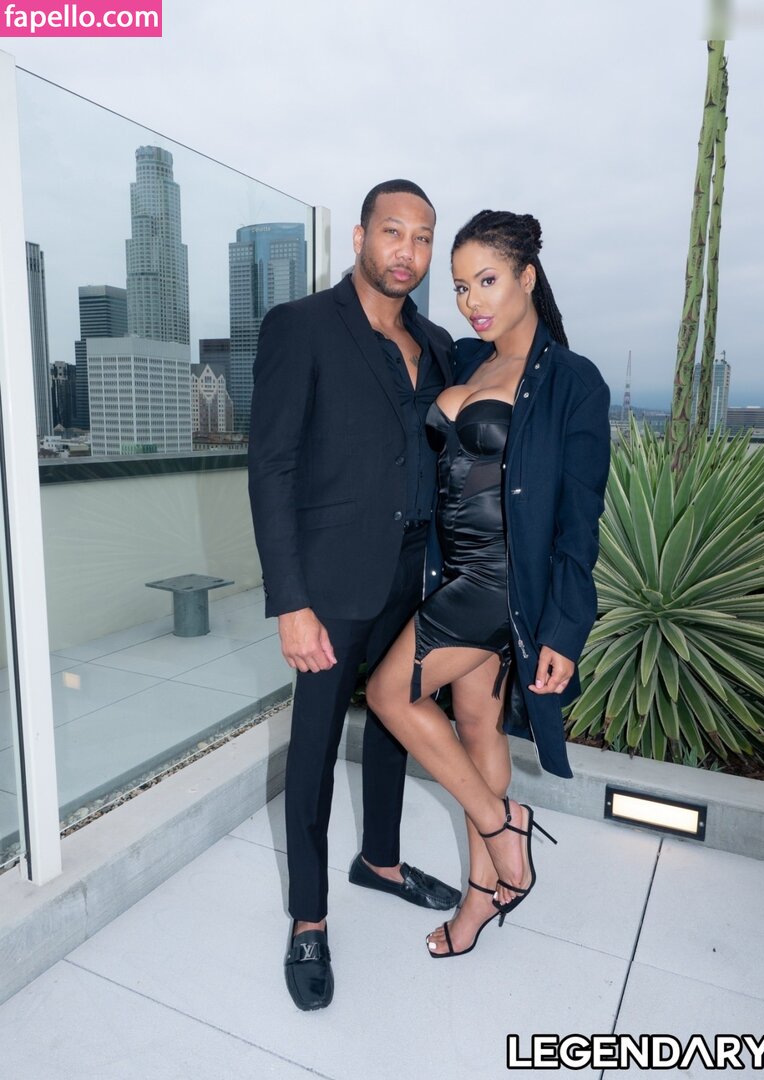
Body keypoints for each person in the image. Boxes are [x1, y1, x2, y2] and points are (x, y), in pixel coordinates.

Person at [367, 209, 611, 957]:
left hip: (500, 586)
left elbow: (580, 518)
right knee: (476, 729)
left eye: (488, 280)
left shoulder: (572, 381)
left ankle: (506, 827)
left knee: (389, 694)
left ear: (527, 277)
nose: (472, 300)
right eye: (461, 286)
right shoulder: (468, 358)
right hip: (455, 571)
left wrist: (565, 630)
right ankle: (480, 898)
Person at [248, 180, 462, 1011]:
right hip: (330, 581)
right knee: (312, 749)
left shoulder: (436, 343)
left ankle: (380, 858)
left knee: (397, 720)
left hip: (416, 570)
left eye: (422, 237)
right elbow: (271, 468)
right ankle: (308, 916)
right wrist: (290, 601)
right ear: (362, 237)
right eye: (393, 231)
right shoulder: (300, 326)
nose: (407, 251)